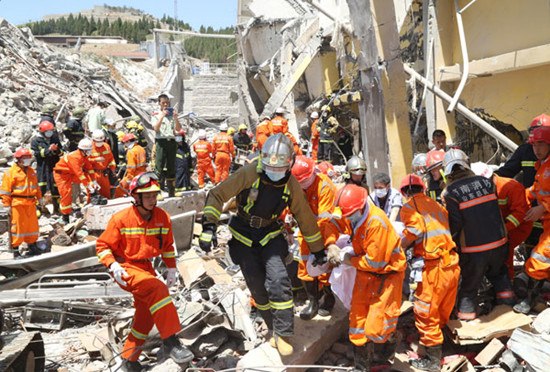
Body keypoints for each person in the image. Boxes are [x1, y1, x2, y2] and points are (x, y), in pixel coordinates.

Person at [198, 134, 326, 356]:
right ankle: (272, 327)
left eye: (280, 170)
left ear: (289, 164)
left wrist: (318, 250)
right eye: (270, 168)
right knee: (256, 285)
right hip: (244, 235)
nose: (274, 174)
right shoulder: (249, 173)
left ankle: (284, 333)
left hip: (270, 234)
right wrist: (208, 227)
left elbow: (304, 216)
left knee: (279, 279)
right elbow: (217, 195)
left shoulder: (291, 185)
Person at [96, 172, 193, 371]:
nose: (152, 199)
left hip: (146, 267)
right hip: (126, 268)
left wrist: (172, 268)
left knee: (145, 316)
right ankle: (171, 342)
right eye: (147, 196)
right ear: (136, 197)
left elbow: (167, 246)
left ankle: (129, 360)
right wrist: (112, 265)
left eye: (154, 195)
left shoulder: (162, 217)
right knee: (157, 288)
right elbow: (102, 245)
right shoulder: (121, 219)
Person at [327, 184, 406, 371]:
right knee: (356, 322)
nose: (346, 218)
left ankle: (390, 342)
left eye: (348, 215)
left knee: (377, 329)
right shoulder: (353, 215)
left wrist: (348, 259)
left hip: (386, 277)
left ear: (360, 208)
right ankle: (361, 365)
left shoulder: (375, 222)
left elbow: (375, 263)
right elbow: (332, 224)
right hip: (365, 276)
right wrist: (331, 244)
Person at [442, 149, 514, 320]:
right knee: (499, 275)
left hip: (474, 250)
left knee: (469, 286)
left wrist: (451, 245)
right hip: (500, 243)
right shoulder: (487, 183)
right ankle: (509, 310)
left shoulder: (451, 194)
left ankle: (467, 320)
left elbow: (455, 225)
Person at [399, 174, 460, 371]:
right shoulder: (436, 206)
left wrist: (399, 247)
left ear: (404, 193)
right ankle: (437, 344)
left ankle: (433, 362)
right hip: (451, 264)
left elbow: (415, 229)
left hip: (433, 268)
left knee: (425, 313)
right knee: (441, 309)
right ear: (422, 189)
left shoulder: (409, 207)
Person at [290, 155, 339, 320]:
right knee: (304, 267)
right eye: (300, 182)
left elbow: (325, 219)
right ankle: (313, 301)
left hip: (325, 231)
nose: (303, 183)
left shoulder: (325, 187)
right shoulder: (295, 186)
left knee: (325, 268)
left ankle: (329, 297)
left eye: (305, 180)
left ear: (313, 173)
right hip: (306, 231)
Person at [471, 162, 532, 279]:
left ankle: (508, 281)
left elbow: (519, 214)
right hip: (500, 225)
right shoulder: (485, 189)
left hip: (520, 226)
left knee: (504, 249)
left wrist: (503, 229)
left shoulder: (510, 187)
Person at [514, 126, 550, 314]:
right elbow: (535, 191)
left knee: (539, 259)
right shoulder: (542, 167)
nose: (537, 149)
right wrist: (518, 198)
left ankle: (529, 300)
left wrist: (543, 207)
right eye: (534, 144)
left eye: (541, 144)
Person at [1, 148, 43, 259]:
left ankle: (32, 245)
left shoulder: (31, 171)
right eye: (25, 158)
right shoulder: (10, 173)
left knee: (32, 226)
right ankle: (16, 250)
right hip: (17, 203)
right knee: (17, 227)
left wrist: (40, 198)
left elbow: (36, 187)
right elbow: (5, 191)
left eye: (29, 158)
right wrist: (6, 205)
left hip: (31, 202)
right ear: (18, 159)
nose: (28, 160)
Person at [53, 138, 98, 223]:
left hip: (71, 173)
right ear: (83, 150)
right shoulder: (75, 157)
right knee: (66, 193)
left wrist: (94, 181)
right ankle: (65, 216)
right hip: (62, 175)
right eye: (88, 150)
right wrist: (87, 185)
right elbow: (79, 174)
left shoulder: (84, 156)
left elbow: (89, 169)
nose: (89, 152)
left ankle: (93, 197)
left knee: (88, 178)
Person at [152, 94, 181, 197]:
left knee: (171, 166)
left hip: (171, 142)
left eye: (167, 103)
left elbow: (178, 129)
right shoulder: (156, 114)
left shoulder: (171, 115)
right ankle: (157, 192)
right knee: (159, 166)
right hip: (161, 142)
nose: (165, 104)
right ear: (159, 103)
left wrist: (176, 118)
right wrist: (161, 116)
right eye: (163, 103)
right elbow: (156, 128)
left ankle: (171, 191)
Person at [31, 121, 62, 215]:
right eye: (48, 131)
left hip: (54, 165)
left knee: (55, 186)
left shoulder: (55, 138)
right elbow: (37, 154)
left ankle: (57, 207)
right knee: (41, 186)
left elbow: (61, 152)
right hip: (42, 166)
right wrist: (48, 150)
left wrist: (57, 150)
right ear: (42, 132)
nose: (50, 133)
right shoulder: (36, 140)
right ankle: (38, 208)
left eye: (51, 131)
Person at [89, 129, 117, 199]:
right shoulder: (89, 147)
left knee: (106, 194)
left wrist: (113, 169)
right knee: (92, 195)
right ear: (93, 140)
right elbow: (85, 162)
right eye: (98, 141)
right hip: (93, 174)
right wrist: (95, 160)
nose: (100, 143)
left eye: (101, 141)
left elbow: (111, 159)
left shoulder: (106, 146)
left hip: (104, 174)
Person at [175, 129, 192, 195]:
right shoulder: (174, 146)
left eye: (179, 136)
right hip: (177, 167)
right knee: (179, 177)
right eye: (176, 136)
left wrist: (191, 168)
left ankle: (187, 188)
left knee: (186, 178)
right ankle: (177, 190)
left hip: (186, 167)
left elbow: (189, 157)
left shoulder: (186, 146)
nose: (177, 138)